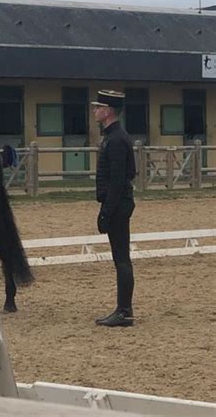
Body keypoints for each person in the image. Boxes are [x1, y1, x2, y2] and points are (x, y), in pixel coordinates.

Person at [92, 90, 136, 327]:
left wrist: (106, 212)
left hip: (118, 204)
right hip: (117, 203)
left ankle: (124, 311)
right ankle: (123, 309)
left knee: (121, 258)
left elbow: (118, 181)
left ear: (108, 111)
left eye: (98, 107)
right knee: (120, 257)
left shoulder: (116, 139)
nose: (95, 111)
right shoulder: (113, 137)